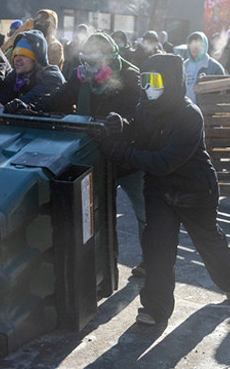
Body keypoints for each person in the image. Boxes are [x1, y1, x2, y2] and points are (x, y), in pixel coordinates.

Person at [97, 53, 230, 325]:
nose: (147, 87)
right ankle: (155, 308)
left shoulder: (190, 115)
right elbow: (139, 131)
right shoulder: (145, 108)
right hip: (159, 190)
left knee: (208, 241)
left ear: (172, 81)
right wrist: (122, 125)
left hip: (195, 191)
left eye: (154, 80)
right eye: (144, 80)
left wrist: (120, 151)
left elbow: (164, 161)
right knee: (157, 248)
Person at [32, 32, 148, 277]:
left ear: (109, 59)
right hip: (95, 155)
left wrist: (124, 123)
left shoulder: (129, 76)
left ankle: (152, 261)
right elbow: (58, 97)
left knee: (145, 211)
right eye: (85, 61)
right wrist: (31, 106)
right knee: (99, 217)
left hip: (128, 157)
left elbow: (140, 114)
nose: (87, 68)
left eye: (94, 62)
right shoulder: (81, 77)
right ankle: (106, 269)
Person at [0, 30, 63, 112]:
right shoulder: (15, 76)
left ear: (37, 58)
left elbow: (28, 100)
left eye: (24, 55)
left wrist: (7, 106)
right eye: (15, 55)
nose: (17, 59)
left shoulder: (52, 77)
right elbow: (2, 97)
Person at [183, 31, 226, 102]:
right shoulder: (184, 65)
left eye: (198, 44)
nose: (194, 47)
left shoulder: (214, 67)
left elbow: (222, 92)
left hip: (206, 110)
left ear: (204, 46)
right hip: (186, 110)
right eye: (192, 44)